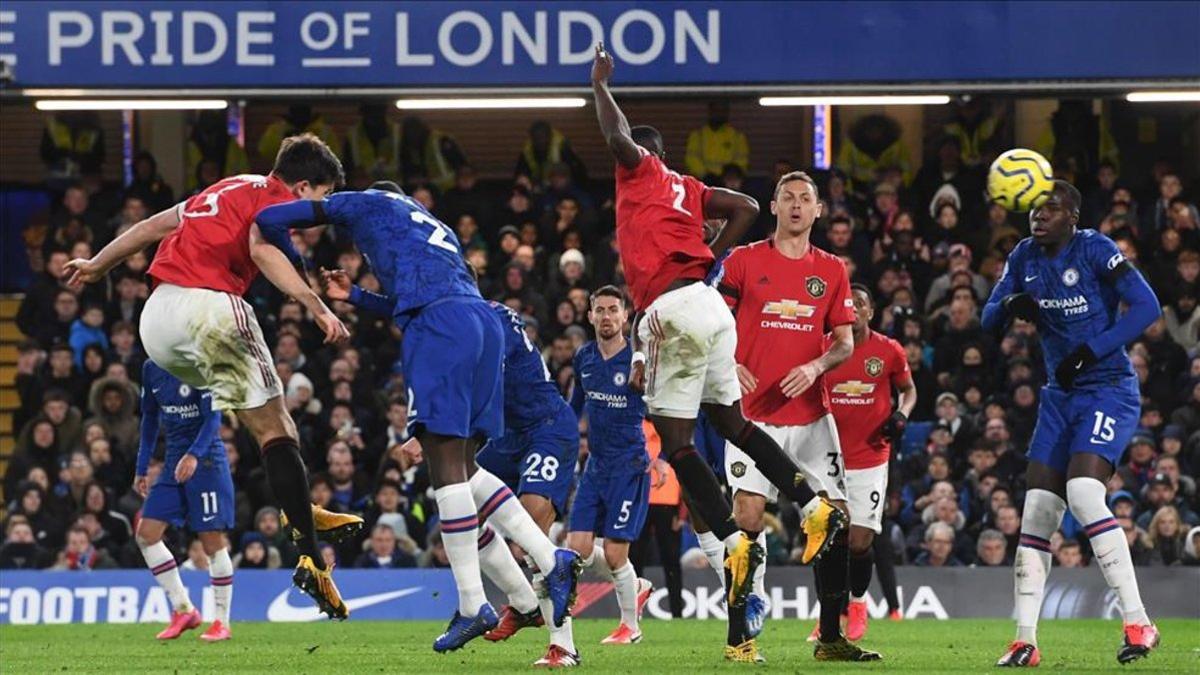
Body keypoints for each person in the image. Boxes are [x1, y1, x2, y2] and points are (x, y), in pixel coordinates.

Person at [592, 43, 843, 664]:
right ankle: (811, 504)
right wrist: (712, 260)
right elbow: (750, 208)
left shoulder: (638, 170)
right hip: (707, 304)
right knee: (731, 423)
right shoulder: (687, 186)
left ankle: (732, 542)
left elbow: (619, 133)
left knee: (677, 441)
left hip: (673, 310)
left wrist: (600, 86)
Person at [255, 182, 579, 654]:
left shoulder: (366, 201)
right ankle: (551, 561)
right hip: (476, 323)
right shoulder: (432, 228)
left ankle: (474, 604)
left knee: (444, 469)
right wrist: (360, 297)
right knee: (466, 471)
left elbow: (273, 219)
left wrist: (297, 274)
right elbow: (418, 295)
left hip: (444, 331)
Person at [63, 133, 360, 620]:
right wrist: (317, 308)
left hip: (156, 323)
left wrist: (98, 264)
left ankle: (300, 509)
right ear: (303, 185)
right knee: (277, 427)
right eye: (321, 199)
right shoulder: (273, 204)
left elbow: (152, 225)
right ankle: (310, 552)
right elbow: (264, 253)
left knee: (260, 421)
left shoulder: (226, 187)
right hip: (207, 305)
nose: (316, 215)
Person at [983, 180, 1162, 666]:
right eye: (1034, 209)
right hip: (1059, 398)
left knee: (1084, 493)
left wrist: (1091, 351)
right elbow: (986, 319)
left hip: (1108, 390)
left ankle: (1139, 622)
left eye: (1051, 208)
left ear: (1073, 217)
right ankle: (1025, 639)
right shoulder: (1022, 256)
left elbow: (1148, 306)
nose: (1039, 216)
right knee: (1038, 511)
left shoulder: (1095, 250)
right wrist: (1007, 308)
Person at [717, 171, 879, 662]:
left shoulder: (831, 270)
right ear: (772, 206)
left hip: (811, 417)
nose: (795, 205)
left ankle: (829, 638)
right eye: (787, 197)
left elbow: (845, 342)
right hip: (752, 417)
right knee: (747, 517)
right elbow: (715, 321)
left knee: (837, 518)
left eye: (805, 199)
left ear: (817, 212)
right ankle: (738, 640)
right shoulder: (743, 261)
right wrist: (732, 363)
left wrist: (815, 365)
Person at [823, 283, 917, 642]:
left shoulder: (888, 350)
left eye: (860, 303)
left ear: (870, 312)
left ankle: (858, 603)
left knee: (860, 541)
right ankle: (831, 613)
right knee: (830, 539)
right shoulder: (824, 347)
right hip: (828, 457)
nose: (853, 308)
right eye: (848, 303)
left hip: (871, 456)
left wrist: (902, 414)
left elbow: (909, 390)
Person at [567, 286, 660, 647]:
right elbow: (574, 405)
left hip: (630, 464)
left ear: (625, 316)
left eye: (613, 310)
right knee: (579, 548)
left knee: (617, 552)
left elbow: (662, 409)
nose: (606, 316)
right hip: (596, 466)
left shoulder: (639, 360)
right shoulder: (584, 357)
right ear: (590, 316)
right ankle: (634, 586)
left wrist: (663, 457)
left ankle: (630, 627)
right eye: (600, 310)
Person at [134, 361, 235, 642]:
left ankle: (222, 622)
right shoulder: (151, 368)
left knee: (211, 541)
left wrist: (194, 455)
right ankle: (184, 609)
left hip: (206, 462)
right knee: (146, 535)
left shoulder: (199, 362)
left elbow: (213, 419)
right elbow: (150, 418)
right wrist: (142, 466)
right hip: (172, 464)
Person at [684, 101, 749, 183]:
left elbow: (742, 161)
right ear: (710, 112)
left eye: (722, 111)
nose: (719, 114)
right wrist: (705, 175)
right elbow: (691, 159)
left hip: (728, 183)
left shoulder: (737, 136)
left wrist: (728, 175)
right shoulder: (697, 135)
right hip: (703, 182)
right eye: (716, 110)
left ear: (727, 113)